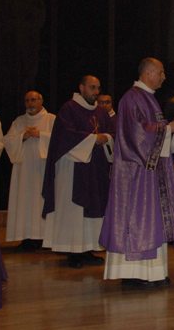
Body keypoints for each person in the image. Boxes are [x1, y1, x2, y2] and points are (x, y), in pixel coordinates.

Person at [100, 58, 174, 288]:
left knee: (152, 220)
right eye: (161, 72)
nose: (164, 77)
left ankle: (153, 273)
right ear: (148, 73)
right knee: (138, 219)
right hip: (136, 173)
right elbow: (135, 134)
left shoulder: (148, 98)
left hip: (150, 171)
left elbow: (151, 130)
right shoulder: (131, 98)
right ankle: (134, 274)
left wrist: (169, 130)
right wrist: (167, 129)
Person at [42, 75, 116, 269]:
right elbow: (65, 137)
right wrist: (93, 140)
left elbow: (112, 133)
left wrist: (106, 138)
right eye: (92, 87)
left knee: (93, 207)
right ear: (81, 88)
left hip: (95, 169)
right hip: (72, 169)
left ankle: (88, 248)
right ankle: (73, 251)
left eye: (98, 88)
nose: (96, 92)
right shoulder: (69, 109)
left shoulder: (101, 112)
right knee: (73, 210)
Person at [4, 91, 56, 251]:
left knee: (42, 200)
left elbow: (60, 140)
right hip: (24, 170)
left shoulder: (51, 119)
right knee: (25, 201)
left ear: (41, 101)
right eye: (27, 100)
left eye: (33, 100)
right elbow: (7, 141)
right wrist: (23, 136)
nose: (30, 103)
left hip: (43, 168)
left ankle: (46, 238)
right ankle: (27, 237)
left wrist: (40, 134)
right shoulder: (19, 121)